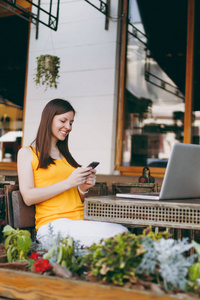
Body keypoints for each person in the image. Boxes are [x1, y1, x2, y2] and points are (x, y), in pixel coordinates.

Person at [17, 99, 128, 249]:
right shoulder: (27, 153)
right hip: (52, 226)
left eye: (71, 123)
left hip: (80, 221)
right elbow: (28, 197)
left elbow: (73, 198)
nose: (68, 127)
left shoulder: (65, 156)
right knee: (120, 234)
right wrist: (69, 182)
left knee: (123, 234)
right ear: (48, 119)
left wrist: (83, 188)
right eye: (63, 121)